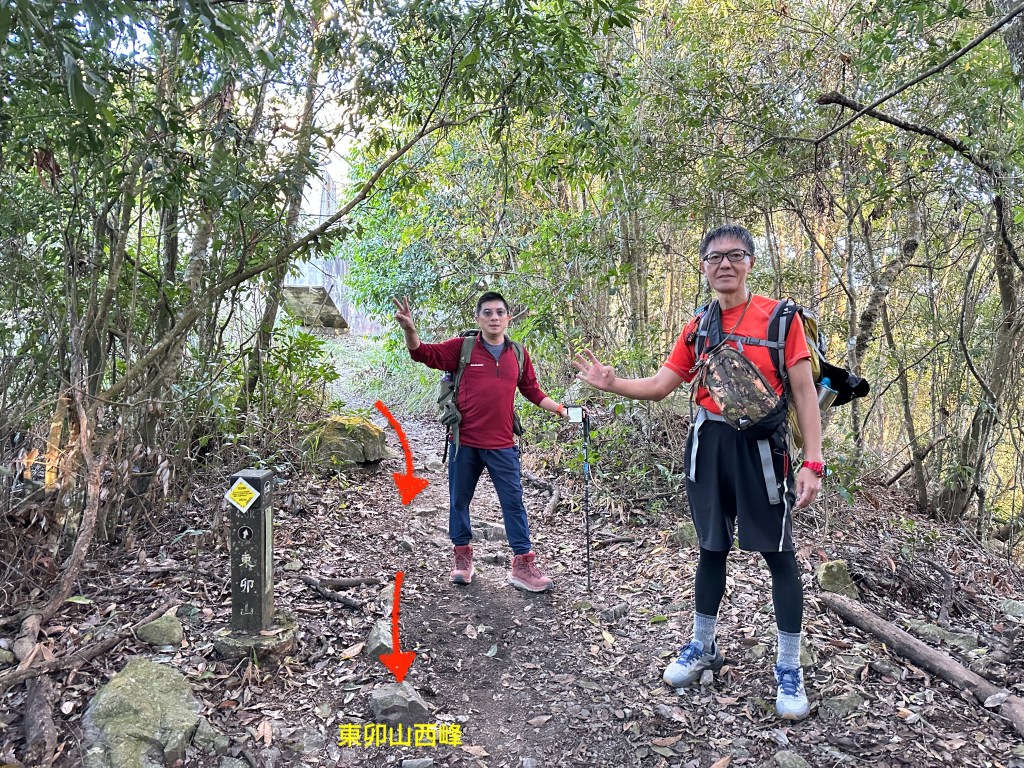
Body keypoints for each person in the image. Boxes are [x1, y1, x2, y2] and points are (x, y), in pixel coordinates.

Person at [572, 224, 823, 720]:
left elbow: (803, 392)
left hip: (762, 450)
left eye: (735, 255)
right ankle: (703, 645)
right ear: (704, 267)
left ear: (750, 262)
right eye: (715, 257)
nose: (725, 264)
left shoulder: (781, 320)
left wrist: (812, 462)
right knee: (711, 547)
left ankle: (789, 667)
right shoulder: (699, 326)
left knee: (779, 554)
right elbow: (661, 385)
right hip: (707, 445)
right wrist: (612, 383)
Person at [393, 291, 571, 592]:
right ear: (478, 318)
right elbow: (422, 353)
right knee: (459, 500)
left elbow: (531, 390)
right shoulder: (461, 348)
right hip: (465, 442)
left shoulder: (518, 354)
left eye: (499, 312)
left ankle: (522, 565)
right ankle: (462, 557)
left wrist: (561, 409)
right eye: (487, 313)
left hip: (502, 444)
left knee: (513, 502)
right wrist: (410, 330)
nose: (494, 318)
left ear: (508, 318)